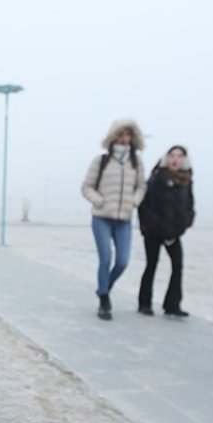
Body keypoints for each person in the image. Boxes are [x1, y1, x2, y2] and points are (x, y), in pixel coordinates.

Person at [80, 118, 147, 320]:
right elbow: (86, 187)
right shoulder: (101, 161)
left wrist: (134, 201)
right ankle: (104, 302)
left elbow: (142, 187)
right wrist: (98, 200)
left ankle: (104, 287)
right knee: (106, 258)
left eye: (127, 134)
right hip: (102, 218)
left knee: (123, 261)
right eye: (120, 134)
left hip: (124, 219)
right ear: (113, 136)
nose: (124, 138)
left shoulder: (136, 162)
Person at [137, 145, 195, 318]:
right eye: (172, 155)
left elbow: (189, 205)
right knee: (151, 265)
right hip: (154, 231)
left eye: (179, 156)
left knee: (177, 265)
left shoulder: (186, 181)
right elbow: (144, 205)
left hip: (174, 232)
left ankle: (172, 305)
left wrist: (186, 222)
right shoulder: (156, 179)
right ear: (166, 158)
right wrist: (151, 224)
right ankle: (144, 303)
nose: (175, 159)